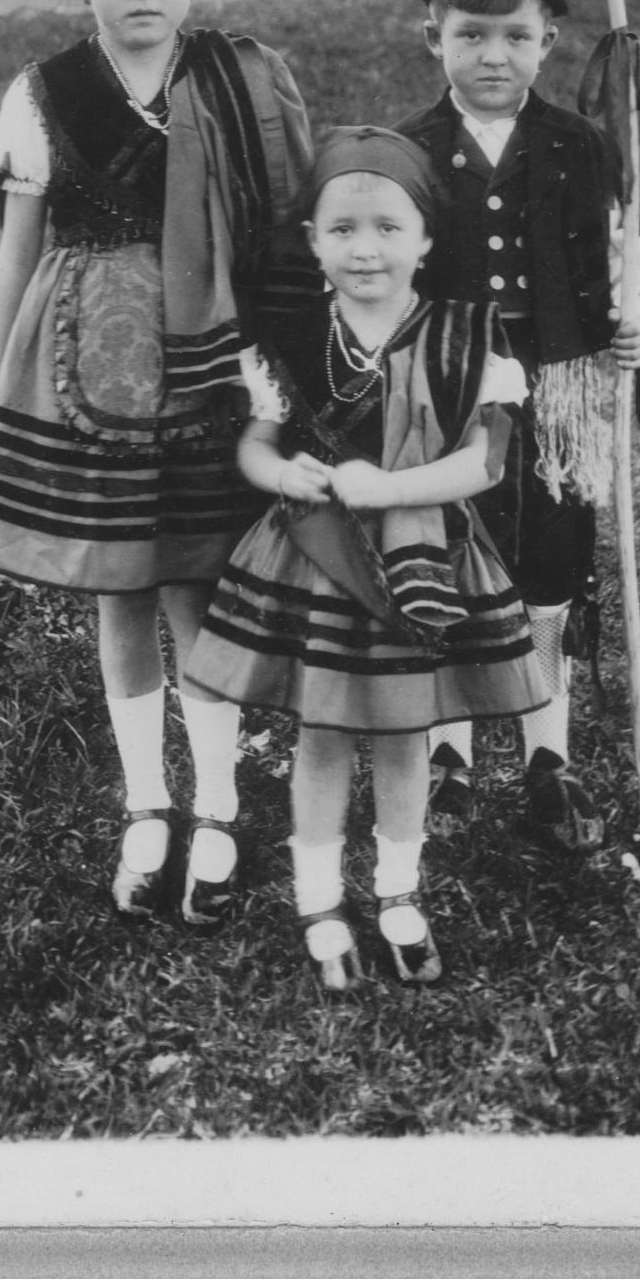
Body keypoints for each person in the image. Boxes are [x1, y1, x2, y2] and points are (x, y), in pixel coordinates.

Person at [0, 0, 314, 928]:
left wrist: (289, 375)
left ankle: (218, 807)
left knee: (196, 588)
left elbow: (288, 236)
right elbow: (15, 260)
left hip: (213, 373)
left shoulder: (241, 81)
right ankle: (147, 805)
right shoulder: (44, 95)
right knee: (119, 591)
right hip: (86, 375)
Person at [185, 128, 551, 992]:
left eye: (388, 228)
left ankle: (396, 892)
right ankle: (317, 899)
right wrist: (281, 473)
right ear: (312, 242)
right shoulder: (293, 341)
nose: (364, 249)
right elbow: (256, 445)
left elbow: (484, 464)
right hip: (313, 559)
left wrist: (387, 489)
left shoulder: (467, 340)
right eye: (342, 229)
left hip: (420, 558)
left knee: (402, 733)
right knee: (322, 732)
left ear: (425, 238)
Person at [396, 0, 640, 853]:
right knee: (450, 560)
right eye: (469, 33)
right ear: (432, 35)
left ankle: (545, 756)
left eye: (515, 35)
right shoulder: (406, 153)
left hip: (559, 393)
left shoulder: (581, 144)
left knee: (549, 571)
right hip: (447, 392)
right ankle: (448, 747)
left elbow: (622, 252)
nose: (492, 55)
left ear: (549, 39)